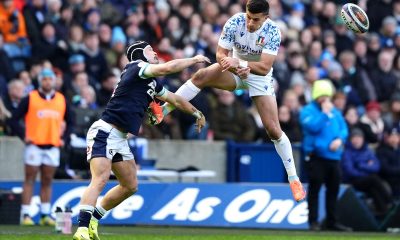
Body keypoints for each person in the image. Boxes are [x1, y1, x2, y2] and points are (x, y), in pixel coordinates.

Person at [148, 0, 306, 202]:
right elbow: (220, 53)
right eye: (248, 16)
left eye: (255, 19)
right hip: (233, 70)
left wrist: (240, 62)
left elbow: (265, 67)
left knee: (273, 130)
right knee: (201, 76)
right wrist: (232, 65)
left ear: (266, 18)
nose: (250, 22)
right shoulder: (235, 22)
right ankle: (164, 110)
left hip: (258, 77)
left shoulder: (273, 31)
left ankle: (294, 179)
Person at [73, 41, 208, 240]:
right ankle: (81, 228)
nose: (154, 52)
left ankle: (94, 218)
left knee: (130, 185)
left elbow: (176, 99)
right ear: (140, 55)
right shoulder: (137, 66)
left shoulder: (151, 82)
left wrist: (197, 113)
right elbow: (169, 67)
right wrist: (194, 60)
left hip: (119, 137)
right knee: (100, 179)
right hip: (105, 131)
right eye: (150, 50)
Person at [9, 68, 73, 226]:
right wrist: (24, 136)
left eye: (50, 79)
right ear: (40, 81)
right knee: (29, 179)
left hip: (52, 145)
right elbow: (13, 120)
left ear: (54, 81)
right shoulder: (30, 98)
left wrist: (64, 138)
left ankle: (45, 214)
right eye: (44, 79)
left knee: (47, 180)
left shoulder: (61, 99)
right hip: (34, 146)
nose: (47, 82)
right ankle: (26, 215)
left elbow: (72, 122)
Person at [299, 80, 352, 231]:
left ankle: (331, 222)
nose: (325, 99)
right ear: (316, 96)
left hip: (334, 157)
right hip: (316, 157)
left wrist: (339, 139)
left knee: (333, 190)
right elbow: (312, 127)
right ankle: (313, 222)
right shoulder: (307, 111)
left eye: (327, 96)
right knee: (315, 190)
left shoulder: (334, 111)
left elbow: (344, 128)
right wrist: (324, 114)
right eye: (322, 96)